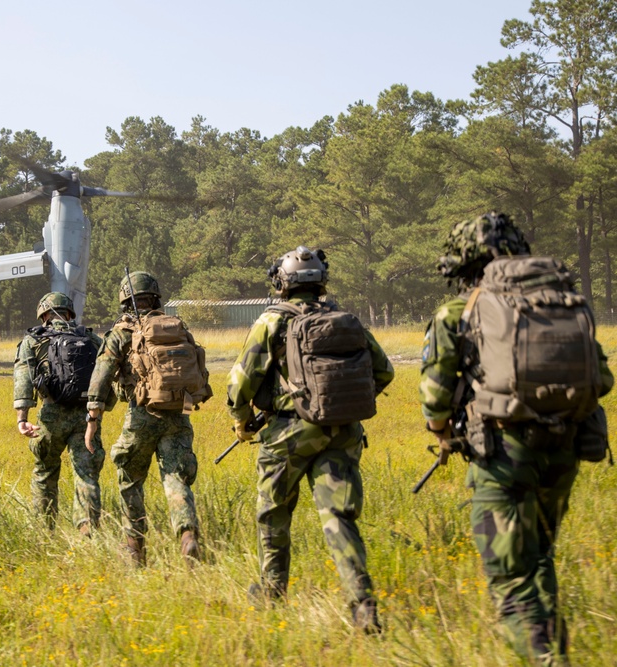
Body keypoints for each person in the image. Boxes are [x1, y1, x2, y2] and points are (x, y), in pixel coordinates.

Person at [420, 213, 613, 662]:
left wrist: (444, 434)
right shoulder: (565, 299)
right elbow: (601, 377)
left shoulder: (459, 312)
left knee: (509, 576)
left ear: (465, 260)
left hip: (503, 452)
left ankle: (545, 659)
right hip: (566, 446)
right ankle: (555, 649)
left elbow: (434, 397)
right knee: (539, 556)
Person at [225, 246, 394, 631]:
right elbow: (383, 372)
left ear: (282, 284)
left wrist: (241, 422)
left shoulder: (271, 321)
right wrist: (340, 403)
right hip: (342, 432)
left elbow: (240, 384)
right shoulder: (345, 319)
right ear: (321, 282)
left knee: (273, 512)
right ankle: (362, 603)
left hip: (288, 433)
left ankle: (272, 592)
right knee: (339, 518)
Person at [84, 271, 212, 566]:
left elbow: (101, 374)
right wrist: (184, 412)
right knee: (176, 479)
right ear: (156, 298)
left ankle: (134, 547)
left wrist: (93, 417)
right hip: (180, 413)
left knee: (130, 478)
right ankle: (187, 535)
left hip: (141, 415)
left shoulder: (121, 333)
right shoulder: (177, 327)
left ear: (125, 302)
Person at [14, 292, 105, 534]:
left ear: (43, 314)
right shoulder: (92, 339)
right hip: (86, 419)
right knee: (86, 473)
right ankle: (87, 529)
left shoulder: (33, 340)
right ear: (69, 313)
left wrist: (22, 418)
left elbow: (23, 377)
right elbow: (107, 376)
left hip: (51, 416)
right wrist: (99, 412)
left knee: (45, 470)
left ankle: (45, 531)